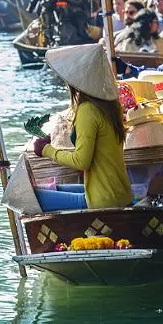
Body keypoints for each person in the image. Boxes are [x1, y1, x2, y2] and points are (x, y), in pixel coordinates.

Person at [32, 44, 132, 211]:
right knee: (48, 189)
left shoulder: (88, 110)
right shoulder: (112, 105)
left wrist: (46, 150)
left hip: (103, 201)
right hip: (119, 194)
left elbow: (81, 161)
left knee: (33, 196)